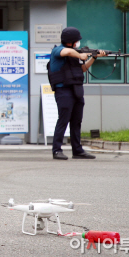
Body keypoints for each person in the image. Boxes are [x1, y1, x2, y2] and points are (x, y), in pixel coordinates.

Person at [48, 27, 105, 160]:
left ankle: (77, 150)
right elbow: (65, 51)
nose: (78, 42)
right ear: (70, 42)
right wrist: (80, 55)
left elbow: (83, 69)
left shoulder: (74, 55)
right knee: (63, 120)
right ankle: (57, 150)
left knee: (76, 121)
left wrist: (94, 57)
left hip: (76, 90)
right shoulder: (58, 50)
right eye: (76, 41)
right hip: (64, 91)